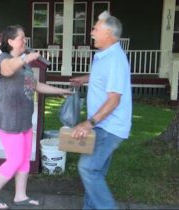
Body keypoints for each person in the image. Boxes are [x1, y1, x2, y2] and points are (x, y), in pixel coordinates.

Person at [0, 25, 71, 209]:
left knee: (24, 159)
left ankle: (20, 196)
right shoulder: (3, 60)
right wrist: (24, 58)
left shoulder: (25, 66)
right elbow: (7, 70)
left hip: (23, 119)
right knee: (14, 159)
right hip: (7, 119)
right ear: (10, 41)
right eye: (21, 38)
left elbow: (36, 86)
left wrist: (62, 91)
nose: (25, 41)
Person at [69, 11, 132, 209]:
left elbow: (114, 100)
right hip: (103, 124)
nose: (92, 32)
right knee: (96, 173)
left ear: (109, 34)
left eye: (96, 28)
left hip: (109, 127)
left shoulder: (115, 60)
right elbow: (103, 77)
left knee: (87, 169)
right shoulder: (103, 56)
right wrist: (85, 79)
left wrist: (89, 123)